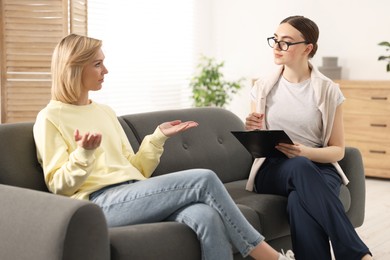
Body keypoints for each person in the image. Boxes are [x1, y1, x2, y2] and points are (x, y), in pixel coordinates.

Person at [33, 33, 294, 260]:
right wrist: (84, 154)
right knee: (202, 179)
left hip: (133, 192)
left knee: (206, 216)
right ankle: (269, 257)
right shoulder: (50, 117)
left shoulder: (104, 112)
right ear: (75, 68)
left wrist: (157, 137)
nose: (106, 70)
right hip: (98, 203)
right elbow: (59, 185)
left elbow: (136, 169)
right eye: (98, 64)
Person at [245, 15, 373, 260]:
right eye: (275, 40)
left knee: (298, 202)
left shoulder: (328, 90)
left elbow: (337, 151)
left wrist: (304, 151)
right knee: (300, 167)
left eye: (286, 42)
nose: (277, 47)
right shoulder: (262, 87)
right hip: (273, 169)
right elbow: (257, 143)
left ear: (308, 48)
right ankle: (357, 254)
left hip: (319, 167)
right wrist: (251, 128)